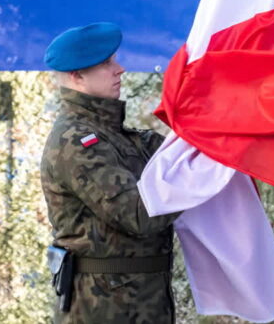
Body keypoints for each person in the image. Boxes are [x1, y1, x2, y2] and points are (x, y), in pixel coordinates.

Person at [40, 22, 180, 324]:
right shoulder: (76, 142)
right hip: (103, 309)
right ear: (77, 76)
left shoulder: (111, 135)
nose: (120, 69)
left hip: (136, 303)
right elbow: (139, 214)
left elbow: (172, 155)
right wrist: (193, 182)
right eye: (106, 63)